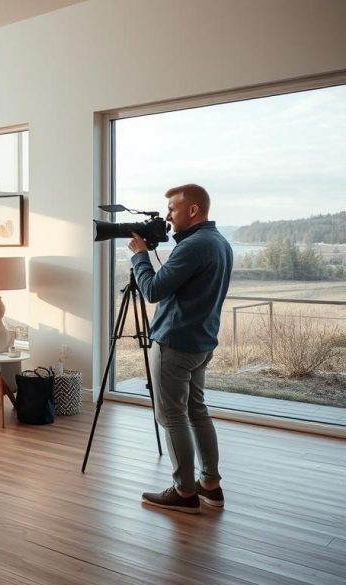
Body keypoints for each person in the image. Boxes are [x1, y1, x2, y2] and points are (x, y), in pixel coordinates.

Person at [128, 183, 233, 514]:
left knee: (172, 416)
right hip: (201, 342)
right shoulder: (218, 242)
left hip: (175, 343)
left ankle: (184, 492)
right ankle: (210, 486)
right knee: (196, 411)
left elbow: (153, 290)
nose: (168, 216)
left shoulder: (194, 246)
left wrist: (139, 256)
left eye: (173, 209)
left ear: (193, 210)